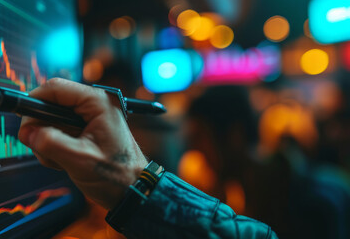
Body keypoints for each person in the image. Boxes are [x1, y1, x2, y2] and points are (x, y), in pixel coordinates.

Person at [17, 78, 278, 239]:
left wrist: (134, 181)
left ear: (234, 135)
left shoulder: (301, 203)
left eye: (199, 138)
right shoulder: (248, 187)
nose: (195, 151)